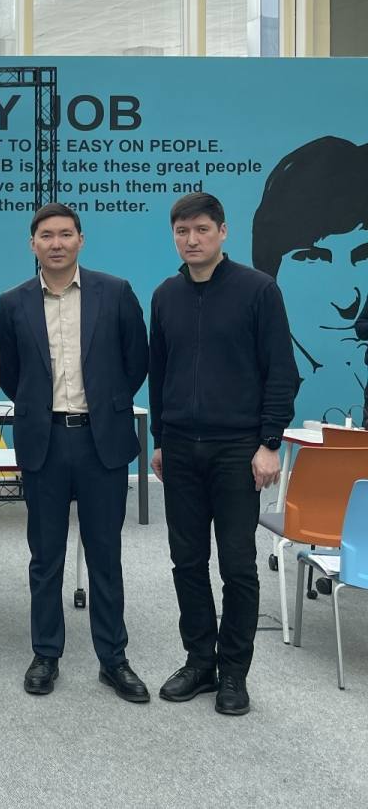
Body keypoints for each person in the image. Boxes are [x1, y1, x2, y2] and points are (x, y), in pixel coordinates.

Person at [150, 191, 299, 716]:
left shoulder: (258, 290)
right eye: (182, 231)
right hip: (180, 449)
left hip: (238, 449)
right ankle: (200, 662)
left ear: (222, 232)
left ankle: (234, 671)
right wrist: (160, 440)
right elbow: (159, 372)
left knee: (237, 566)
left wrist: (269, 442)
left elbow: (281, 371)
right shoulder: (165, 295)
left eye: (202, 230)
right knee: (187, 561)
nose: (192, 240)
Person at [0, 203, 150, 702]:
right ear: (33, 244)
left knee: (105, 554)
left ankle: (114, 659)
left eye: (66, 234)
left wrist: (105, 404)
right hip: (44, 440)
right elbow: (11, 373)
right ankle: (46, 653)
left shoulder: (115, 292)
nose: (56, 243)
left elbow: (136, 361)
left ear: (81, 240)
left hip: (101, 441)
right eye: (47, 235)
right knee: (45, 556)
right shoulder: (13, 302)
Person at [250, 136, 368, 426]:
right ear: (271, 270)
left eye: (364, 255)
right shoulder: (246, 366)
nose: (348, 301)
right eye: (313, 257)